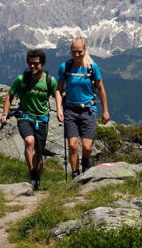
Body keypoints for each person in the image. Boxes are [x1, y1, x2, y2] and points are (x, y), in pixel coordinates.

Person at [1, 49, 56, 190]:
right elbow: (9, 96)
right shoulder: (21, 79)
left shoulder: (50, 81)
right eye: (30, 63)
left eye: (36, 64)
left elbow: (57, 94)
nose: (32, 66)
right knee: (29, 141)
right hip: (25, 117)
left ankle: (37, 181)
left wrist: (62, 109)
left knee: (39, 154)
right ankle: (32, 176)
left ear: (42, 64)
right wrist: (5, 113)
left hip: (42, 119)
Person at [55, 37, 110, 179]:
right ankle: (75, 174)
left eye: (79, 51)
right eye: (74, 52)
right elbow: (58, 90)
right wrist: (59, 109)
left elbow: (101, 89)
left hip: (88, 110)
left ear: (85, 50)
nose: (77, 54)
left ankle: (85, 160)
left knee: (87, 147)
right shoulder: (65, 67)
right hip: (70, 110)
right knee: (72, 145)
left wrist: (105, 111)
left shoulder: (92, 67)